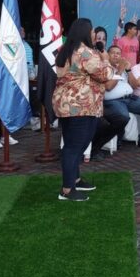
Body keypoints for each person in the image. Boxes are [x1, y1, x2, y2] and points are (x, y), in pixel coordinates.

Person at [52, 18, 113, 201]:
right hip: (80, 106)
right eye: (93, 31)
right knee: (74, 146)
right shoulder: (85, 52)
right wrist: (106, 60)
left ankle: (75, 179)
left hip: (67, 104)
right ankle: (67, 190)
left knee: (72, 143)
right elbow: (105, 75)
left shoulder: (66, 50)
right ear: (85, 32)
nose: (94, 34)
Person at [87, 45, 133, 163]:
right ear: (107, 55)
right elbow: (108, 87)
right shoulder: (105, 68)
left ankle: (120, 140)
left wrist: (128, 70)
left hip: (129, 99)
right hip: (110, 101)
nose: (116, 55)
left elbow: (134, 84)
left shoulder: (120, 68)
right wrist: (120, 70)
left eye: (118, 53)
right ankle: (96, 147)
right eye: (113, 53)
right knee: (122, 118)